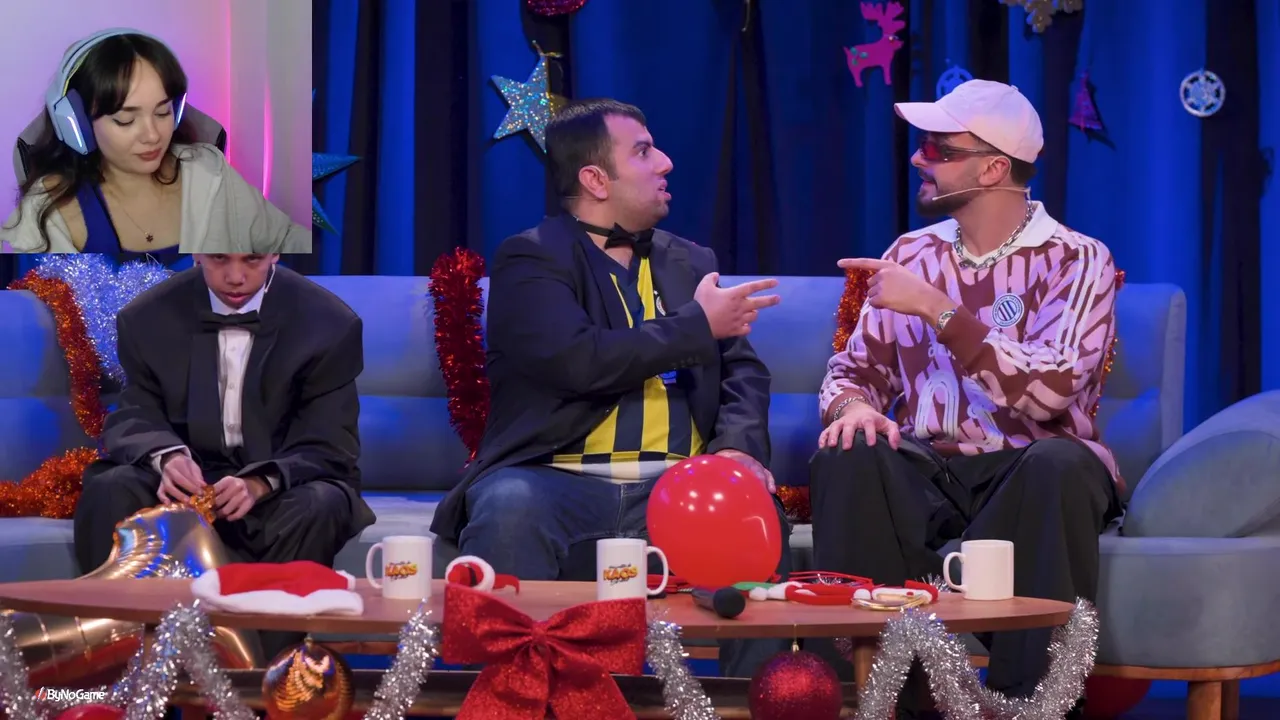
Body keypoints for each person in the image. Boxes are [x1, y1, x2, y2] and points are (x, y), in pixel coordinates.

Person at [429, 98, 789, 677]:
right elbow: (577, 361)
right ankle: (504, 697)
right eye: (643, 152)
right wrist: (697, 325)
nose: (666, 162)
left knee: (751, 507)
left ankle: (759, 698)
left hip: (677, 485)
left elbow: (742, 371)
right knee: (508, 505)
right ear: (595, 179)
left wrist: (738, 450)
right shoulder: (530, 258)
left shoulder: (691, 261)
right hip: (554, 479)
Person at [809, 80, 1120, 718]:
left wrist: (938, 308)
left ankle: (1033, 705)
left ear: (994, 168)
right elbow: (853, 371)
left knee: (1060, 464)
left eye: (939, 149)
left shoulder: (1076, 259)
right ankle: (889, 701)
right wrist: (854, 407)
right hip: (932, 469)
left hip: (1029, 469)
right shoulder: (910, 253)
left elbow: (1052, 390)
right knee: (850, 454)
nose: (918, 158)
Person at [73, 254, 375, 658]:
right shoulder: (146, 317)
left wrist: (259, 482)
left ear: (274, 252)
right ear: (197, 252)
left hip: (281, 483)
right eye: (218, 259)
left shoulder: (328, 322)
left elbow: (330, 442)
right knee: (111, 487)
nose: (235, 277)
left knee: (321, 504)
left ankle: (260, 675)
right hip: (185, 484)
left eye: (251, 260)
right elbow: (135, 413)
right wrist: (167, 457)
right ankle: (119, 667)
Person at [0, 29, 309, 255]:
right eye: (125, 120)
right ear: (78, 124)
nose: (152, 135)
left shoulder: (209, 172)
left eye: (163, 112)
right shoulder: (46, 212)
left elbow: (286, 240)